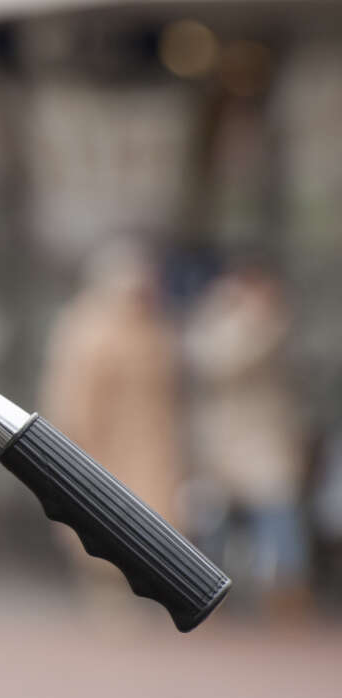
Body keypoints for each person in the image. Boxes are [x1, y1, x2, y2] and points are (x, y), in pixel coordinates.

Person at [39, 245, 186, 609]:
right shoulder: (89, 328)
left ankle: (147, 587)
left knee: (152, 516)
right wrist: (78, 436)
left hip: (148, 440)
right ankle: (107, 592)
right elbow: (74, 391)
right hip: (103, 443)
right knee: (103, 517)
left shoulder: (152, 327)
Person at [184, 263, 309, 612]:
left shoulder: (269, 324)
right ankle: (201, 586)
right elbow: (198, 355)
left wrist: (232, 311)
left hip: (261, 440)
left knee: (276, 512)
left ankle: (288, 591)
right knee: (216, 516)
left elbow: (223, 360)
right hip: (226, 440)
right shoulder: (227, 322)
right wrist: (220, 308)